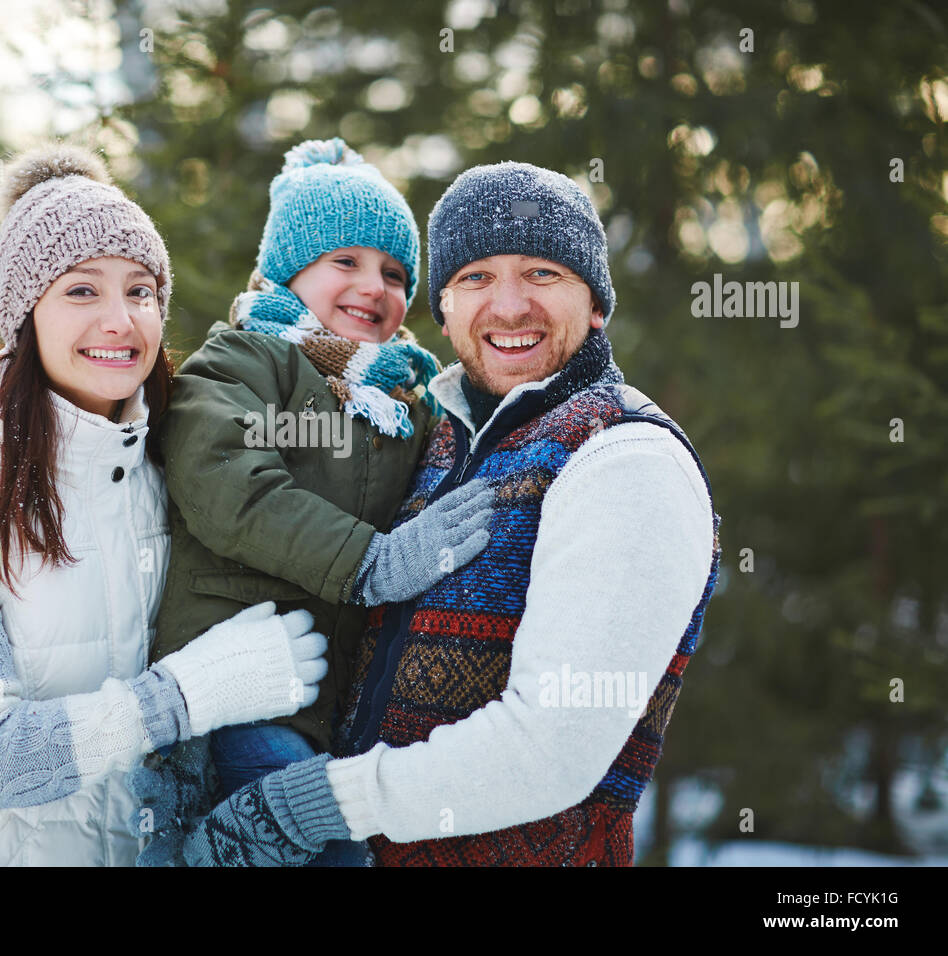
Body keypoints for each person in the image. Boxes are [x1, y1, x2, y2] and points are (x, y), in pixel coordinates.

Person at [182, 160, 721, 867]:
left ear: (595, 303)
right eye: (476, 278)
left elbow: (550, 747)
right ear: (446, 310)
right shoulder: (435, 435)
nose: (508, 306)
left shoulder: (623, 459)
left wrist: (304, 804)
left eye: (542, 273)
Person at [0, 144, 329, 866]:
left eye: (141, 291)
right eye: (82, 291)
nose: (121, 320)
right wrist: (182, 697)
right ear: (25, 313)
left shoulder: (170, 467)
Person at [135, 138, 494, 866]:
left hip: (324, 708)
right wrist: (372, 562)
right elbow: (224, 480)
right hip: (229, 690)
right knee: (330, 849)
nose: (375, 286)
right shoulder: (245, 361)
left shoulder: (401, 401)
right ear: (286, 272)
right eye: (346, 263)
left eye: (395, 273)